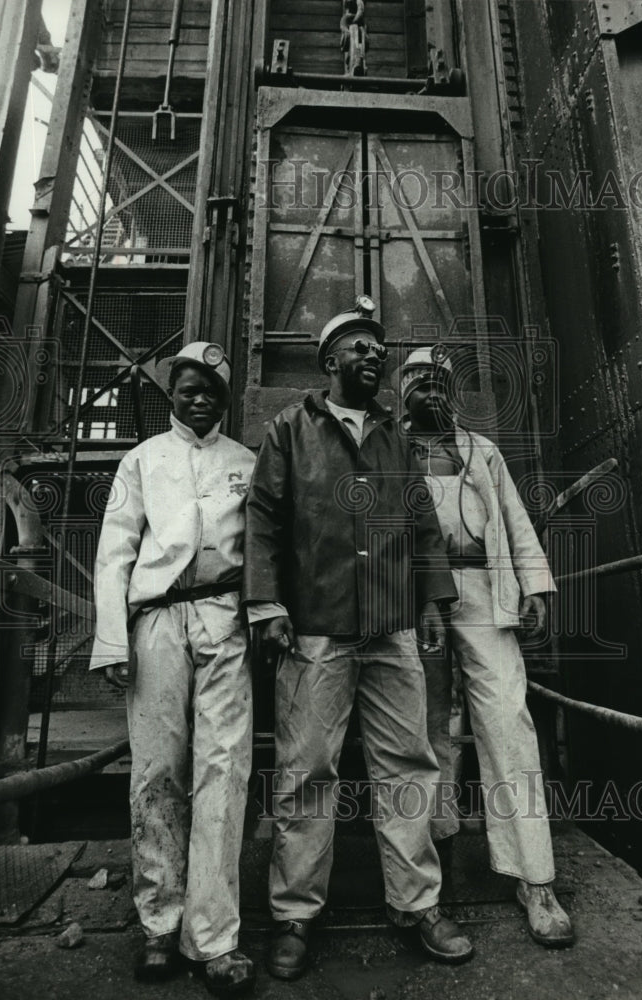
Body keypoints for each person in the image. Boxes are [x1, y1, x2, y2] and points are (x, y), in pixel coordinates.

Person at [243, 297, 474, 980]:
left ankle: (417, 905)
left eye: (378, 350)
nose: (373, 357)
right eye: (358, 348)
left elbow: (421, 521)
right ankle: (294, 915)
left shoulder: (395, 438)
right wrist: (264, 601)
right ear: (328, 361)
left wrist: (433, 600)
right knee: (307, 770)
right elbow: (262, 519)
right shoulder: (290, 428)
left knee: (407, 764)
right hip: (315, 627)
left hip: (391, 626)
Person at [90, 342, 271, 997]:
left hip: (224, 619)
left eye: (210, 389)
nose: (199, 398)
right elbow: (114, 552)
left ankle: (215, 938)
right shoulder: (142, 460)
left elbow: (261, 550)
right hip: (158, 623)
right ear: (172, 391)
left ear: (225, 397)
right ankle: (159, 925)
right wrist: (114, 642)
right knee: (157, 769)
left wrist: (261, 616)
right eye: (188, 387)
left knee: (225, 771)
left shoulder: (245, 464)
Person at [396, 345, 574, 948]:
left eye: (441, 384)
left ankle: (536, 879)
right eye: (421, 383)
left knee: (508, 722)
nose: (433, 392)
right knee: (423, 733)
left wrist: (535, 587)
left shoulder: (483, 451)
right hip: (419, 600)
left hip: (485, 594)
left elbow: (517, 522)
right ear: (402, 393)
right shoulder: (388, 452)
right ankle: (428, 869)